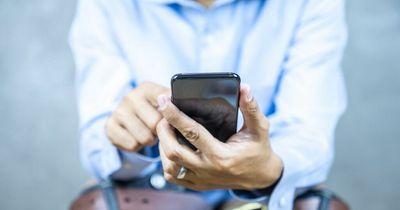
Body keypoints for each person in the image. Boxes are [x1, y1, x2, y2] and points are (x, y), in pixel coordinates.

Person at [69, 0, 347, 209]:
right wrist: (126, 137)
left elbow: (309, 132)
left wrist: (270, 168)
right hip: (149, 186)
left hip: (258, 189)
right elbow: (97, 142)